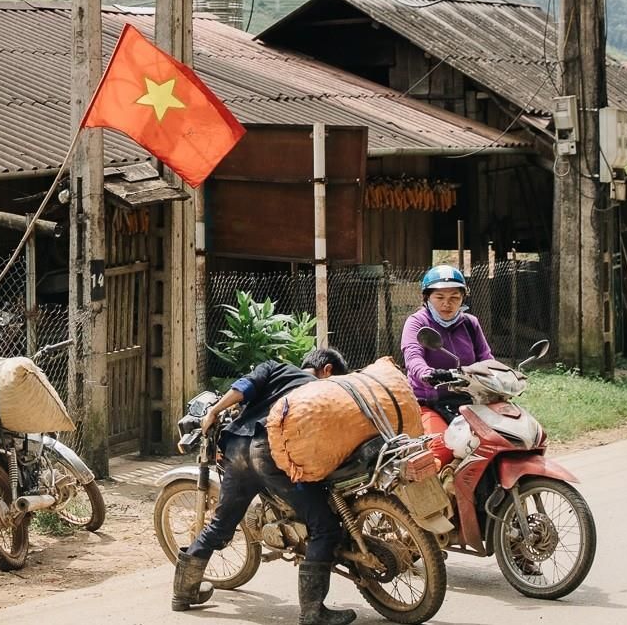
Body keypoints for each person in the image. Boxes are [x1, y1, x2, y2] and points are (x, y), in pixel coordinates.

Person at [172, 346, 355, 625]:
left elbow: (243, 387)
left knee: (220, 524)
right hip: (271, 453)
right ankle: (313, 612)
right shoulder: (321, 390)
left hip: (235, 448)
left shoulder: (274, 367)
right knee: (325, 526)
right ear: (327, 370)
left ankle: (183, 594)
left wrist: (214, 412)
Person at [400, 264, 494, 469]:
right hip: (428, 402)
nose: (447, 304)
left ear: (463, 299)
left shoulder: (470, 323)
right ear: (427, 298)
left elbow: (486, 358)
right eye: (439, 297)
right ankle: (438, 495)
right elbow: (413, 357)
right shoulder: (417, 323)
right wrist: (427, 374)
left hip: (469, 399)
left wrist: (499, 376)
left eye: (454, 297)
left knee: (496, 440)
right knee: (442, 449)